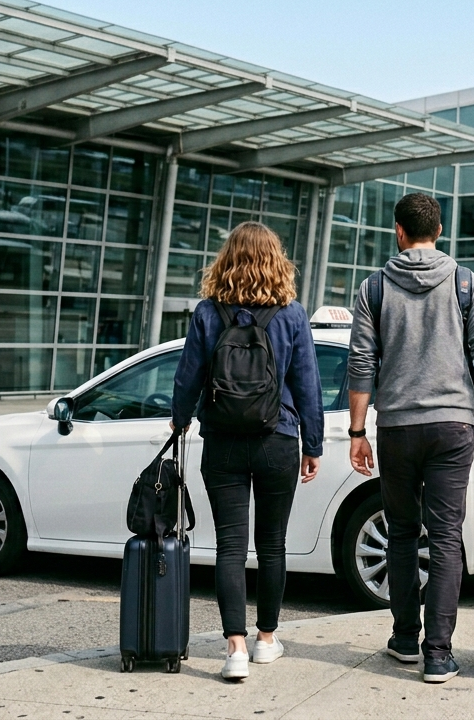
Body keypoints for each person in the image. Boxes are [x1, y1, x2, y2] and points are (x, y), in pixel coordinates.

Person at [345, 192, 474, 683]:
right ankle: (437, 654)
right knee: (444, 538)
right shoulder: (466, 282)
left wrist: (357, 432)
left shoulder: (373, 287)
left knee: (401, 533)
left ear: (398, 231)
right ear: (438, 231)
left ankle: (404, 638)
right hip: (452, 426)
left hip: (396, 427)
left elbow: (361, 364)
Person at [171, 221, 323, 680]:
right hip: (278, 438)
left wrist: (180, 420)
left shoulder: (207, 312)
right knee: (272, 545)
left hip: (222, 441)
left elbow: (187, 376)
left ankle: (234, 649)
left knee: (230, 546)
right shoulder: (292, 315)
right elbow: (308, 384)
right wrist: (312, 445)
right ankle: (266, 640)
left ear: (227, 259)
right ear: (277, 261)